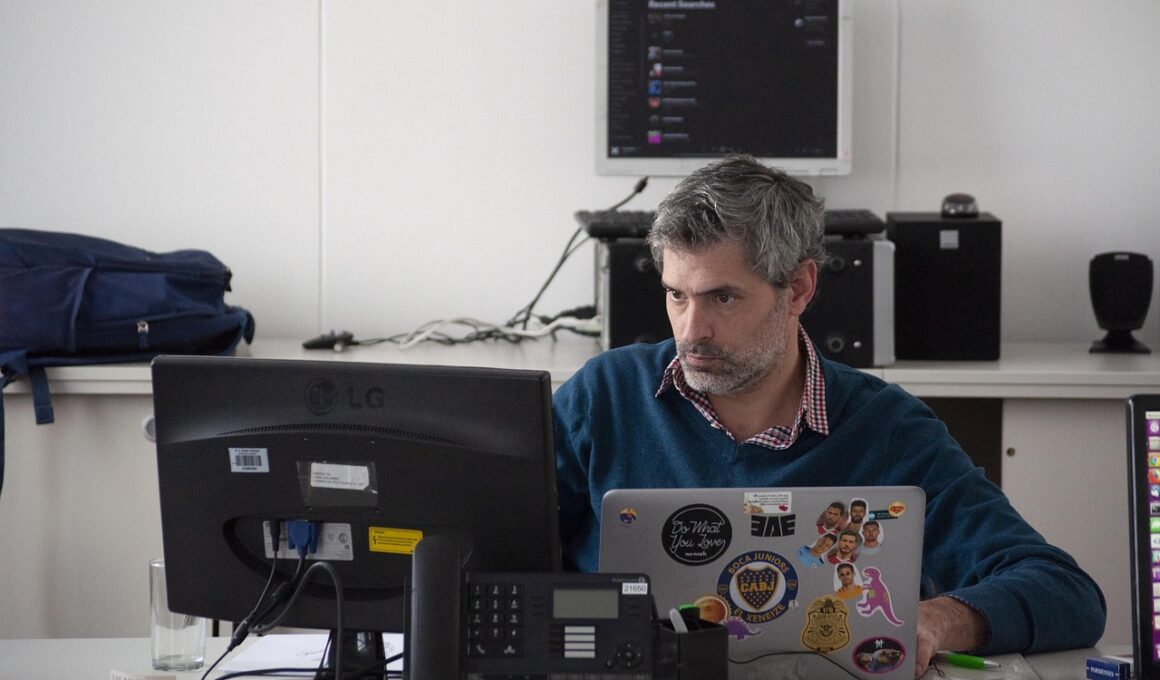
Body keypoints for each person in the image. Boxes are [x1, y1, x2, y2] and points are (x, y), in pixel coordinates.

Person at [553, 154, 1106, 677]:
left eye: (722, 298)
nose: (691, 331)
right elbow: (509, 563)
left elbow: (1064, 591)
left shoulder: (888, 429)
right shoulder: (603, 397)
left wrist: (938, 620)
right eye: (677, 295)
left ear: (798, 289)